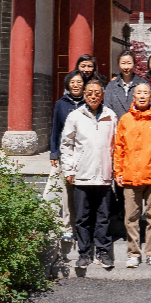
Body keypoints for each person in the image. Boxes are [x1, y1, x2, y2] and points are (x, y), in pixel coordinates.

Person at [60, 79, 118, 269]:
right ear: (84, 95)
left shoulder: (110, 116)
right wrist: (69, 169)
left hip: (104, 176)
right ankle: (84, 254)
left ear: (102, 95)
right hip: (81, 175)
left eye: (97, 93)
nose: (93, 96)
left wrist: (115, 169)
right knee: (82, 218)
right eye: (90, 93)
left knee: (103, 217)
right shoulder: (75, 116)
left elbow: (117, 146)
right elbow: (66, 144)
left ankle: (103, 252)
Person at [113, 83, 151, 268]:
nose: (142, 96)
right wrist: (118, 171)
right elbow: (119, 148)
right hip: (130, 176)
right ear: (134, 97)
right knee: (131, 218)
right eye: (139, 93)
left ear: (150, 97)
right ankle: (133, 253)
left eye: (146, 93)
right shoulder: (125, 120)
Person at [47, 70, 86, 242]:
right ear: (68, 85)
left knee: (84, 191)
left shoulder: (89, 103)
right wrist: (54, 152)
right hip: (67, 154)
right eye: (72, 82)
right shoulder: (60, 104)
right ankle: (68, 227)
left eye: (79, 82)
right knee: (67, 192)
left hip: (85, 153)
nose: (76, 85)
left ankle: (84, 227)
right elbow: (55, 129)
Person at [104, 51, 146, 120]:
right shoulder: (111, 86)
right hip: (117, 124)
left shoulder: (143, 84)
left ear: (134, 64)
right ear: (118, 65)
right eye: (123, 63)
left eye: (129, 63)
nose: (126, 67)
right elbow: (107, 108)